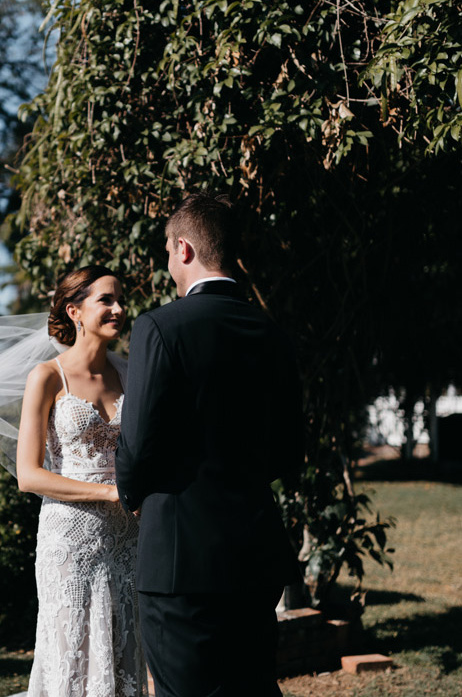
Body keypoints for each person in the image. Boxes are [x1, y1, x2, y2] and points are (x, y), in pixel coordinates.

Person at [115, 192, 304, 696]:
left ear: (183, 249)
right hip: (255, 553)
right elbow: (289, 452)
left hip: (179, 563)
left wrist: (132, 496)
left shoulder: (159, 327)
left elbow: (136, 444)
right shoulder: (272, 333)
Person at [16, 266, 148, 697]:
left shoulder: (131, 373)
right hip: (69, 541)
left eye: (120, 299)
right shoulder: (47, 377)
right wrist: (110, 491)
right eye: (106, 300)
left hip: (127, 537)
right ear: (74, 311)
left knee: (123, 649)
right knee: (72, 653)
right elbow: (29, 474)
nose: (119, 309)